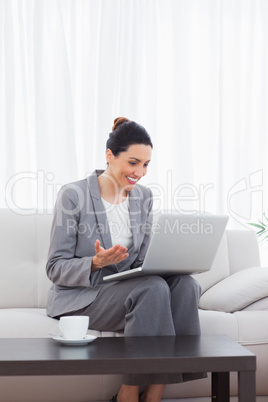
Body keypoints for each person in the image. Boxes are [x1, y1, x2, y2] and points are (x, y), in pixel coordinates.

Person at [46, 117, 204, 402]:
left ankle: (154, 395)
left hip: (129, 291)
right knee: (152, 288)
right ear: (110, 156)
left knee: (185, 286)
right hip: (85, 297)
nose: (140, 172)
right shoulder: (74, 195)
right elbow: (55, 268)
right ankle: (128, 394)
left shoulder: (143, 197)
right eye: (133, 162)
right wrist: (95, 262)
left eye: (146, 165)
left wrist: (169, 263)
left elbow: (142, 261)